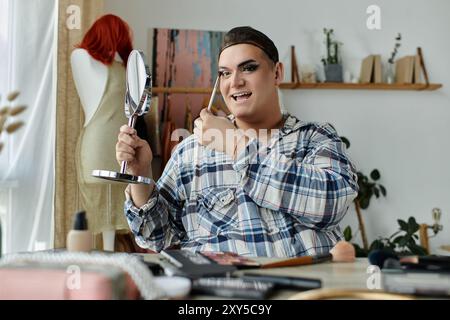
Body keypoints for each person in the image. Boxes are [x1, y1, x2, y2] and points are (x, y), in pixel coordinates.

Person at [116, 26, 359, 257]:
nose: (235, 82)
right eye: (225, 73)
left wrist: (234, 143)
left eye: (248, 68)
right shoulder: (189, 152)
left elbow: (331, 206)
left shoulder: (314, 138)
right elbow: (156, 237)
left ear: (277, 73)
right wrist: (142, 175)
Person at [71, 14, 133, 250]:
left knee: (118, 197)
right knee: (100, 199)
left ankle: (110, 251)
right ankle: (102, 253)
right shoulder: (82, 58)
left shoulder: (123, 67)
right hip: (97, 143)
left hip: (120, 143)